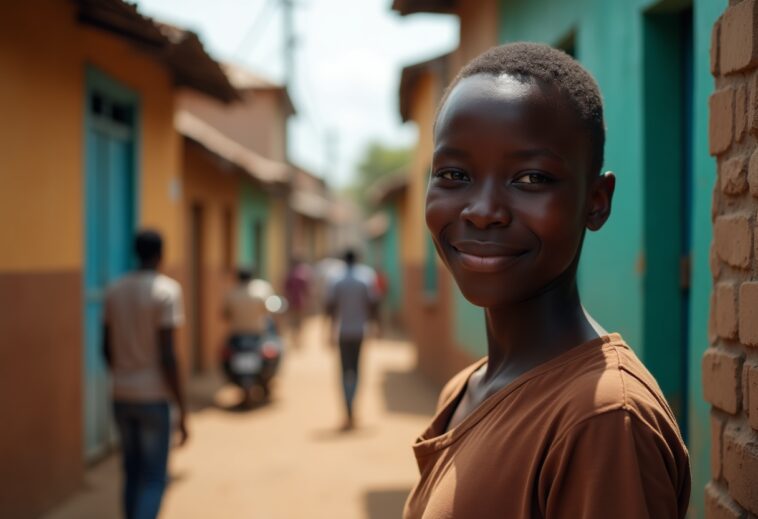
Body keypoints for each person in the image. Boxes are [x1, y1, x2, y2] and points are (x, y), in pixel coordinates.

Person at [403, 43, 690, 519]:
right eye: (454, 174)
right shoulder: (466, 388)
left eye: (531, 179)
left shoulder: (600, 421)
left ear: (596, 201)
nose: (483, 211)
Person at [103, 230, 186, 519]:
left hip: (121, 395)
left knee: (132, 472)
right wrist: (182, 406)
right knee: (153, 477)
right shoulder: (167, 291)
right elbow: (168, 356)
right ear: (161, 254)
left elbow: (105, 349)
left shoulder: (114, 290)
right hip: (154, 396)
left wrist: (125, 375)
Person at [325, 250, 379, 430]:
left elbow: (331, 306)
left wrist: (329, 330)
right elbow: (373, 304)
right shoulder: (366, 276)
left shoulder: (336, 278)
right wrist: (376, 325)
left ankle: (347, 408)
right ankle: (353, 406)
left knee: (344, 371)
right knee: (356, 370)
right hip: (359, 331)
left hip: (343, 331)